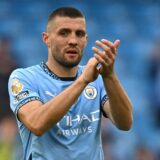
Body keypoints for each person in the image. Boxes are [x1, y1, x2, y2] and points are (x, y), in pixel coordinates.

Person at [8, 7, 133, 160]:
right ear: (46, 39)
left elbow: (125, 123)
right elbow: (36, 123)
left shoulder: (98, 79)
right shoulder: (24, 77)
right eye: (64, 33)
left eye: (79, 34)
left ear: (85, 40)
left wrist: (110, 76)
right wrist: (83, 81)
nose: (73, 41)